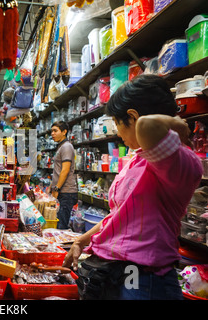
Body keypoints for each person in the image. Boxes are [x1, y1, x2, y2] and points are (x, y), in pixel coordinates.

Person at [62, 74, 202, 300]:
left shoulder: (179, 160)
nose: (118, 133)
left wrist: (175, 122)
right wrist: (80, 241)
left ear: (132, 117)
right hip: (122, 274)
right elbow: (121, 217)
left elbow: (147, 126)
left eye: (117, 123)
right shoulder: (138, 159)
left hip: (142, 280)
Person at [50, 121, 78, 229]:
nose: (52, 133)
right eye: (52, 131)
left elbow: (65, 170)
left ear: (64, 132)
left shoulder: (66, 146)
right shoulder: (61, 146)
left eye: (55, 131)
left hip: (66, 192)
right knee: (58, 224)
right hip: (62, 191)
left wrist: (56, 188)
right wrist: (51, 186)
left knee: (61, 226)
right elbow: (58, 170)